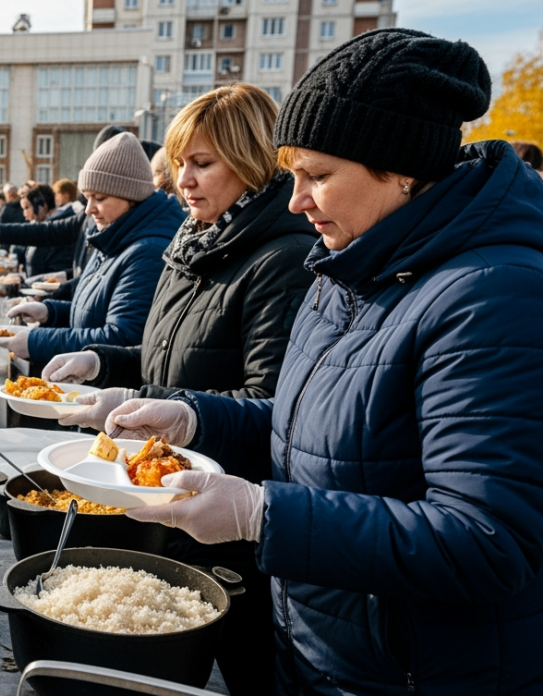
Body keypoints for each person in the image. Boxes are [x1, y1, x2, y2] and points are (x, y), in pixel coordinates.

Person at [108, 30, 543, 695]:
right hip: (315, 649)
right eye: (294, 174)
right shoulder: (347, 267)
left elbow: (486, 541)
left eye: (318, 176)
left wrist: (263, 515)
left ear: (402, 170)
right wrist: (195, 419)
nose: (296, 199)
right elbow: (315, 429)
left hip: (410, 674)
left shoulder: (492, 295)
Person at [41, 84, 316, 696]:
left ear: (250, 160)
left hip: (230, 517)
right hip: (171, 497)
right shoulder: (195, 239)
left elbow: (277, 403)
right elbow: (168, 356)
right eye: (179, 163)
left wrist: (184, 414)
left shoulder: (282, 259)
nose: (182, 181)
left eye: (202, 163)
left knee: (243, 667)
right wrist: (103, 365)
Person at [0, 133, 182, 368]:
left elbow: (121, 338)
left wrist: (36, 342)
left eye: (100, 198)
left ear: (131, 197)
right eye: (87, 198)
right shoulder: (112, 233)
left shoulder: (147, 252)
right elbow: (92, 314)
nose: (89, 209)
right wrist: (49, 311)